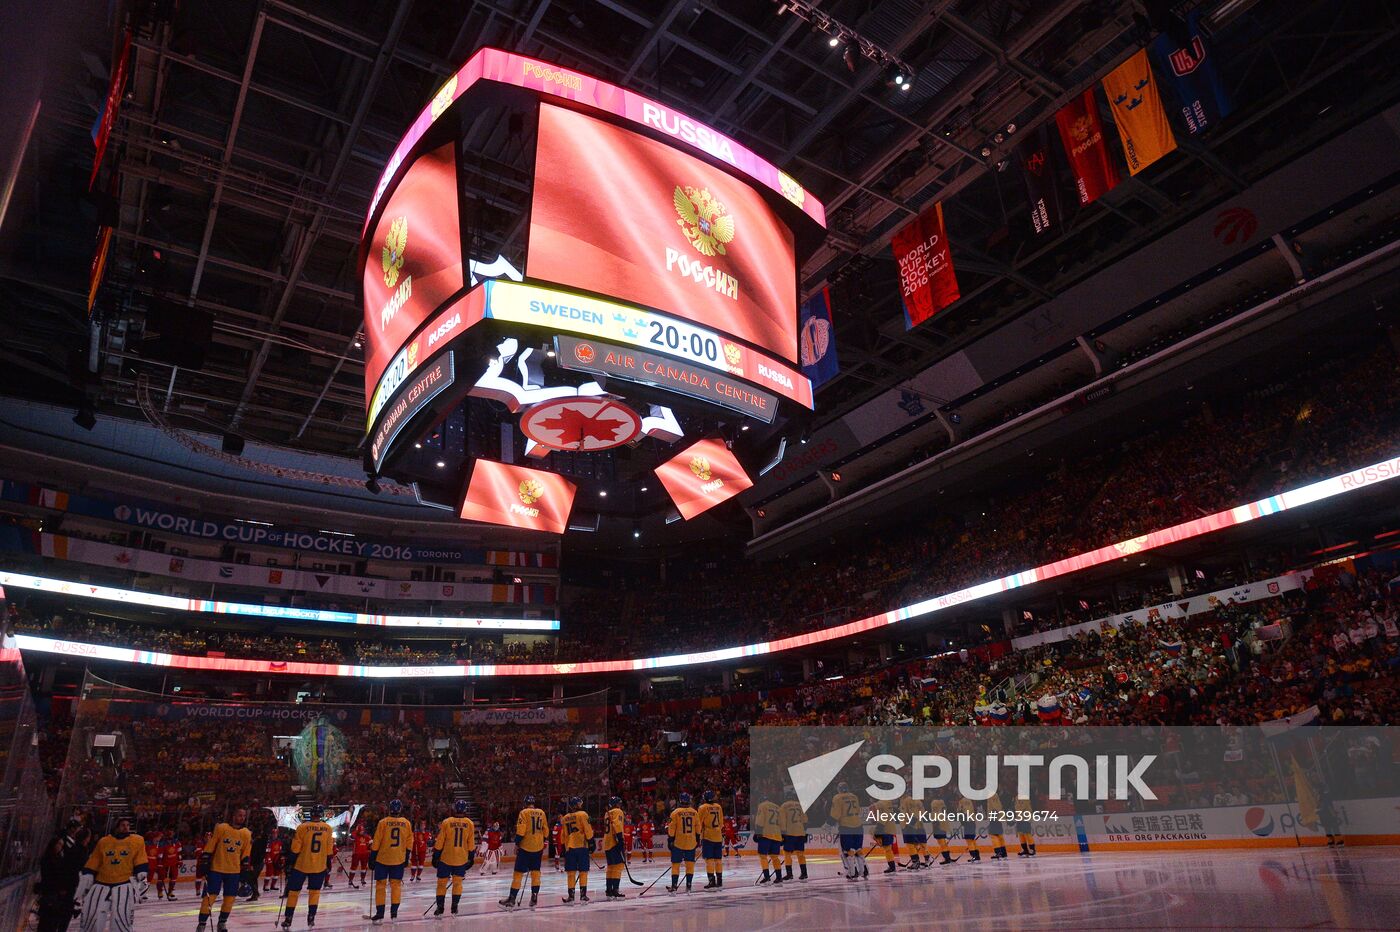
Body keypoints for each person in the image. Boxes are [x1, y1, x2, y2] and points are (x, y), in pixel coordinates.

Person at [77, 816, 148, 932]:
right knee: (92, 915)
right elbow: (95, 860)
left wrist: (141, 874)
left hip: (124, 883)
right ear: (116, 827)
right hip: (101, 883)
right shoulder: (104, 842)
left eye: (127, 825)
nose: (126, 827)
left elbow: (140, 859)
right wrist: (88, 874)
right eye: (122, 825)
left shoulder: (137, 841)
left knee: (121, 917)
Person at [197, 807, 252, 931]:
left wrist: (245, 869)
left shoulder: (246, 833)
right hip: (216, 868)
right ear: (233, 815)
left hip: (234, 871)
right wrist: (205, 860)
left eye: (243, 815)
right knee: (209, 897)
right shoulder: (221, 828)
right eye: (239, 815)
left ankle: (222, 923)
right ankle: (201, 924)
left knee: (230, 898)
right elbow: (211, 844)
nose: (241, 818)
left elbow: (246, 853)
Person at [281, 805, 334, 929]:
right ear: (321, 814)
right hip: (319, 866)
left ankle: (288, 919)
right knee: (314, 893)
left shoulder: (302, 827)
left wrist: (289, 862)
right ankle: (311, 917)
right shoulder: (328, 828)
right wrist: (328, 864)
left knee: (293, 892)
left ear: (311, 814)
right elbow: (329, 850)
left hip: (301, 865)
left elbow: (295, 848)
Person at [36, 819, 88, 932]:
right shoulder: (50, 859)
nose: (61, 846)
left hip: (60, 890)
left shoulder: (59, 857)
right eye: (59, 844)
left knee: (55, 920)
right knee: (48, 921)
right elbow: (51, 875)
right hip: (53, 892)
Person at [368, 798, 412, 924]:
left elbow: (376, 841)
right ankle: (394, 913)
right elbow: (409, 842)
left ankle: (380, 913)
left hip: (383, 859)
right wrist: (407, 856)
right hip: (398, 859)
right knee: (396, 886)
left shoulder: (383, 822)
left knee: (381, 886)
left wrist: (372, 856)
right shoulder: (406, 823)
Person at [499, 795, 546, 910]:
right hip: (538, 847)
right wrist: (541, 841)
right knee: (535, 873)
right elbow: (546, 831)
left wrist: (517, 843)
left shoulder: (524, 812)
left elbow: (521, 830)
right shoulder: (542, 813)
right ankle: (534, 897)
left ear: (525, 803)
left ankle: (512, 898)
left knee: (518, 873)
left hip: (526, 847)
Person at [431, 799, 476, 917]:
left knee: (441, 883)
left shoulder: (447, 822)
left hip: (446, 858)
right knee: (457, 884)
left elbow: (440, 841)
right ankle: (454, 908)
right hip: (461, 859)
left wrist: (436, 855)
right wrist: (471, 857)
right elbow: (471, 843)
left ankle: (440, 908)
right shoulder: (469, 823)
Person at [560, 796, 594, 904]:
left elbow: (563, 835)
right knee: (583, 871)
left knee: (571, 873)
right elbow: (587, 829)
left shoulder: (565, 818)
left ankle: (571, 896)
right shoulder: (583, 814)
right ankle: (583, 896)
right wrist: (591, 841)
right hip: (581, 846)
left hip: (569, 847)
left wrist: (563, 847)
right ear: (577, 805)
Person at [830, 782, 867, 880]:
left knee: (848, 850)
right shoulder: (854, 796)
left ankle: (852, 872)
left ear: (839, 789)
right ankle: (864, 871)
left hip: (846, 826)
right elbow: (858, 810)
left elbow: (835, 814)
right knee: (858, 848)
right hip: (858, 825)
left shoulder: (837, 798)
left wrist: (828, 824)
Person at [667, 792, 700, 893]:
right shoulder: (695, 812)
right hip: (691, 842)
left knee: (676, 864)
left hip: (678, 842)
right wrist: (697, 839)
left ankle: (674, 886)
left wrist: (670, 840)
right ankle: (689, 886)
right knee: (690, 864)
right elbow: (698, 827)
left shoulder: (675, 812)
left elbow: (671, 828)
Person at [696, 790, 725, 890]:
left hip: (708, 836)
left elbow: (699, 823)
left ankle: (711, 881)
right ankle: (720, 881)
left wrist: (697, 836)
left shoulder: (702, 807)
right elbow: (721, 822)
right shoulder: (718, 806)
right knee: (718, 860)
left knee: (709, 860)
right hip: (718, 836)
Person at [601, 797, 627, 899]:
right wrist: (620, 839)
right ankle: (615, 890)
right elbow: (617, 825)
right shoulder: (618, 811)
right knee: (618, 866)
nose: (620, 805)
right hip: (614, 842)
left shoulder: (607, 813)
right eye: (619, 803)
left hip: (607, 843)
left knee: (611, 867)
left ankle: (609, 890)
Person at [779, 790, 808, 881]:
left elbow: (782, 821)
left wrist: (782, 834)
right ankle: (804, 873)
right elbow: (805, 820)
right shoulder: (799, 805)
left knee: (787, 853)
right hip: (800, 832)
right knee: (800, 854)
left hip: (790, 833)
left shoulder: (783, 806)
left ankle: (789, 874)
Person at [754, 796, 783, 885]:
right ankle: (779, 877)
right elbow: (782, 823)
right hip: (777, 834)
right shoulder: (777, 807)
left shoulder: (762, 806)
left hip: (766, 834)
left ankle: (767, 877)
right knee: (775, 857)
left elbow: (760, 821)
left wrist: (758, 833)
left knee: (763, 856)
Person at [899, 792, 926, 870]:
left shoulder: (908, 800)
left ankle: (916, 862)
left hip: (908, 825)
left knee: (910, 845)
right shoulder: (904, 800)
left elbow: (915, 813)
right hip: (906, 825)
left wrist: (910, 824)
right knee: (910, 844)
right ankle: (916, 861)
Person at [141, 832, 163, 902]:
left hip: (153, 864)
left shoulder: (159, 845)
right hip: (145, 863)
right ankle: (140, 892)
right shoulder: (146, 844)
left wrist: (159, 863)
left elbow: (159, 855)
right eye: (159, 837)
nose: (160, 838)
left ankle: (144, 893)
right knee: (143, 879)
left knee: (149, 880)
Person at [160, 832, 182, 900]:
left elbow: (179, 852)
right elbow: (160, 854)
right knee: (161, 877)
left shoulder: (177, 842)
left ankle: (170, 891)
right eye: (169, 833)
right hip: (165, 863)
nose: (171, 835)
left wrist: (180, 860)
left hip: (174, 863)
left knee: (174, 878)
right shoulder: (162, 843)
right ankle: (160, 891)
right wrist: (159, 863)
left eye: (172, 833)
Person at [350, 821, 372, 887]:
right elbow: (351, 837)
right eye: (360, 830)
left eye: (362, 830)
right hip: (356, 854)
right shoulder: (355, 835)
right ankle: (350, 880)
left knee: (364, 867)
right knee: (353, 867)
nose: (362, 832)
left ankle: (362, 879)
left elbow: (370, 844)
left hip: (365, 854)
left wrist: (370, 849)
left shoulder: (367, 836)